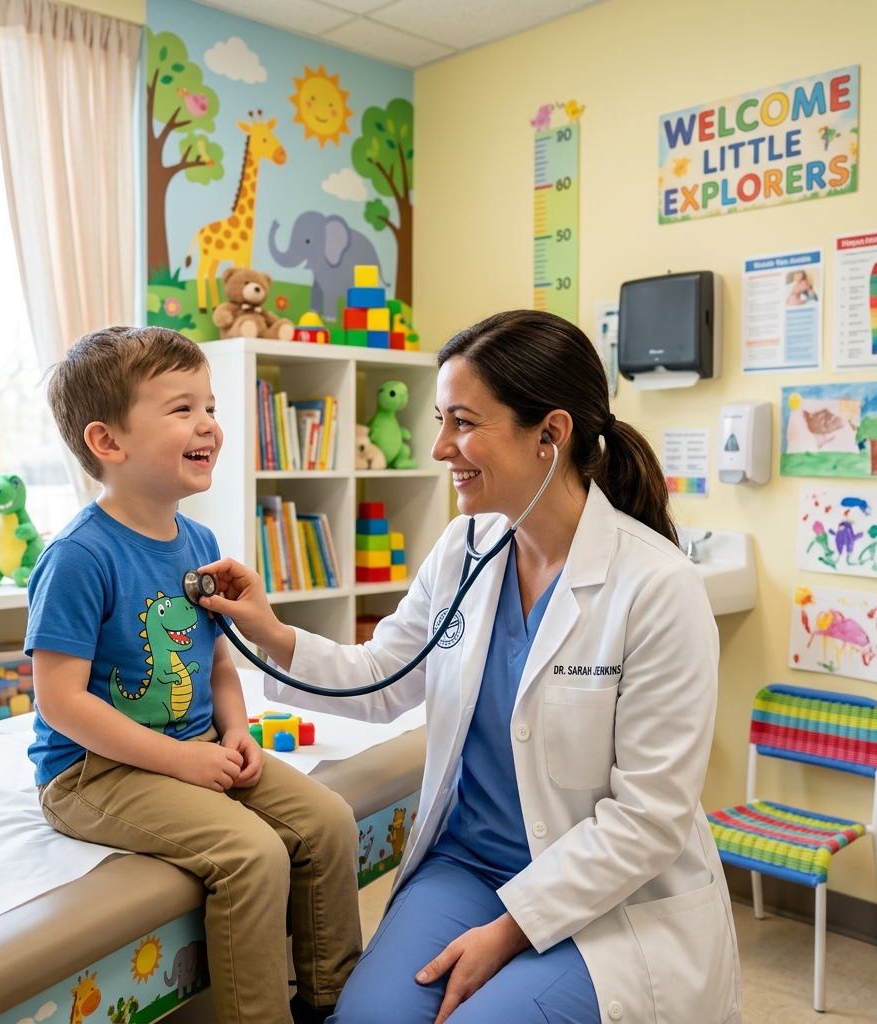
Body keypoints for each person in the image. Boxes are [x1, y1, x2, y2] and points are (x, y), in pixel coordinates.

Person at [197, 310, 742, 1024]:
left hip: (611, 901)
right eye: (439, 419)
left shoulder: (657, 587)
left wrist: (509, 933)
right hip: (469, 867)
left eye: (462, 422)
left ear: (550, 433)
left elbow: (648, 820)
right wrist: (270, 634)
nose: (439, 446)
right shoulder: (466, 547)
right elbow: (384, 675)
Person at [25, 326, 361, 1024]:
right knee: (251, 853)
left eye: (209, 406)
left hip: (197, 743)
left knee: (328, 821)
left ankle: (332, 999)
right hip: (92, 772)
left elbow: (216, 660)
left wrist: (235, 732)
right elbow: (59, 702)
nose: (208, 423)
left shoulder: (200, 541)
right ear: (107, 443)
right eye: (181, 409)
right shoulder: (80, 556)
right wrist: (179, 760)